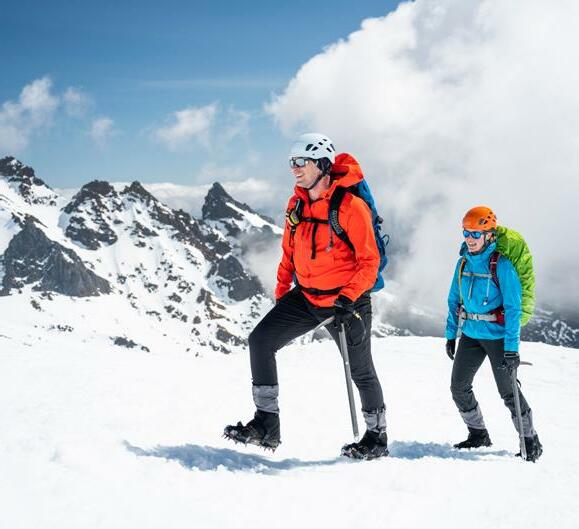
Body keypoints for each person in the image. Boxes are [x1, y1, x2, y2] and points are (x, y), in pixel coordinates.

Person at [224, 132, 388, 459]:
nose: (295, 168)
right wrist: (281, 293)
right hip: (307, 297)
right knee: (261, 341)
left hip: (346, 302)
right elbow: (289, 253)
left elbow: (369, 262)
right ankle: (266, 426)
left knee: (361, 371)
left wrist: (348, 297)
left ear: (323, 164)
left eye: (302, 161)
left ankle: (377, 438)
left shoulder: (351, 207)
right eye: (292, 162)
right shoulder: (296, 204)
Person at [445, 206, 542, 461]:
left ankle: (530, 440)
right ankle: (478, 434)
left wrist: (512, 349)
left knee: (508, 392)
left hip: (498, 338)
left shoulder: (502, 265)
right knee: (458, 387)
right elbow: (454, 299)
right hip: (471, 335)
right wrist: (450, 334)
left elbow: (513, 309)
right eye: (466, 233)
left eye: (476, 234)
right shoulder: (463, 263)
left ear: (489, 235)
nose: (470, 238)